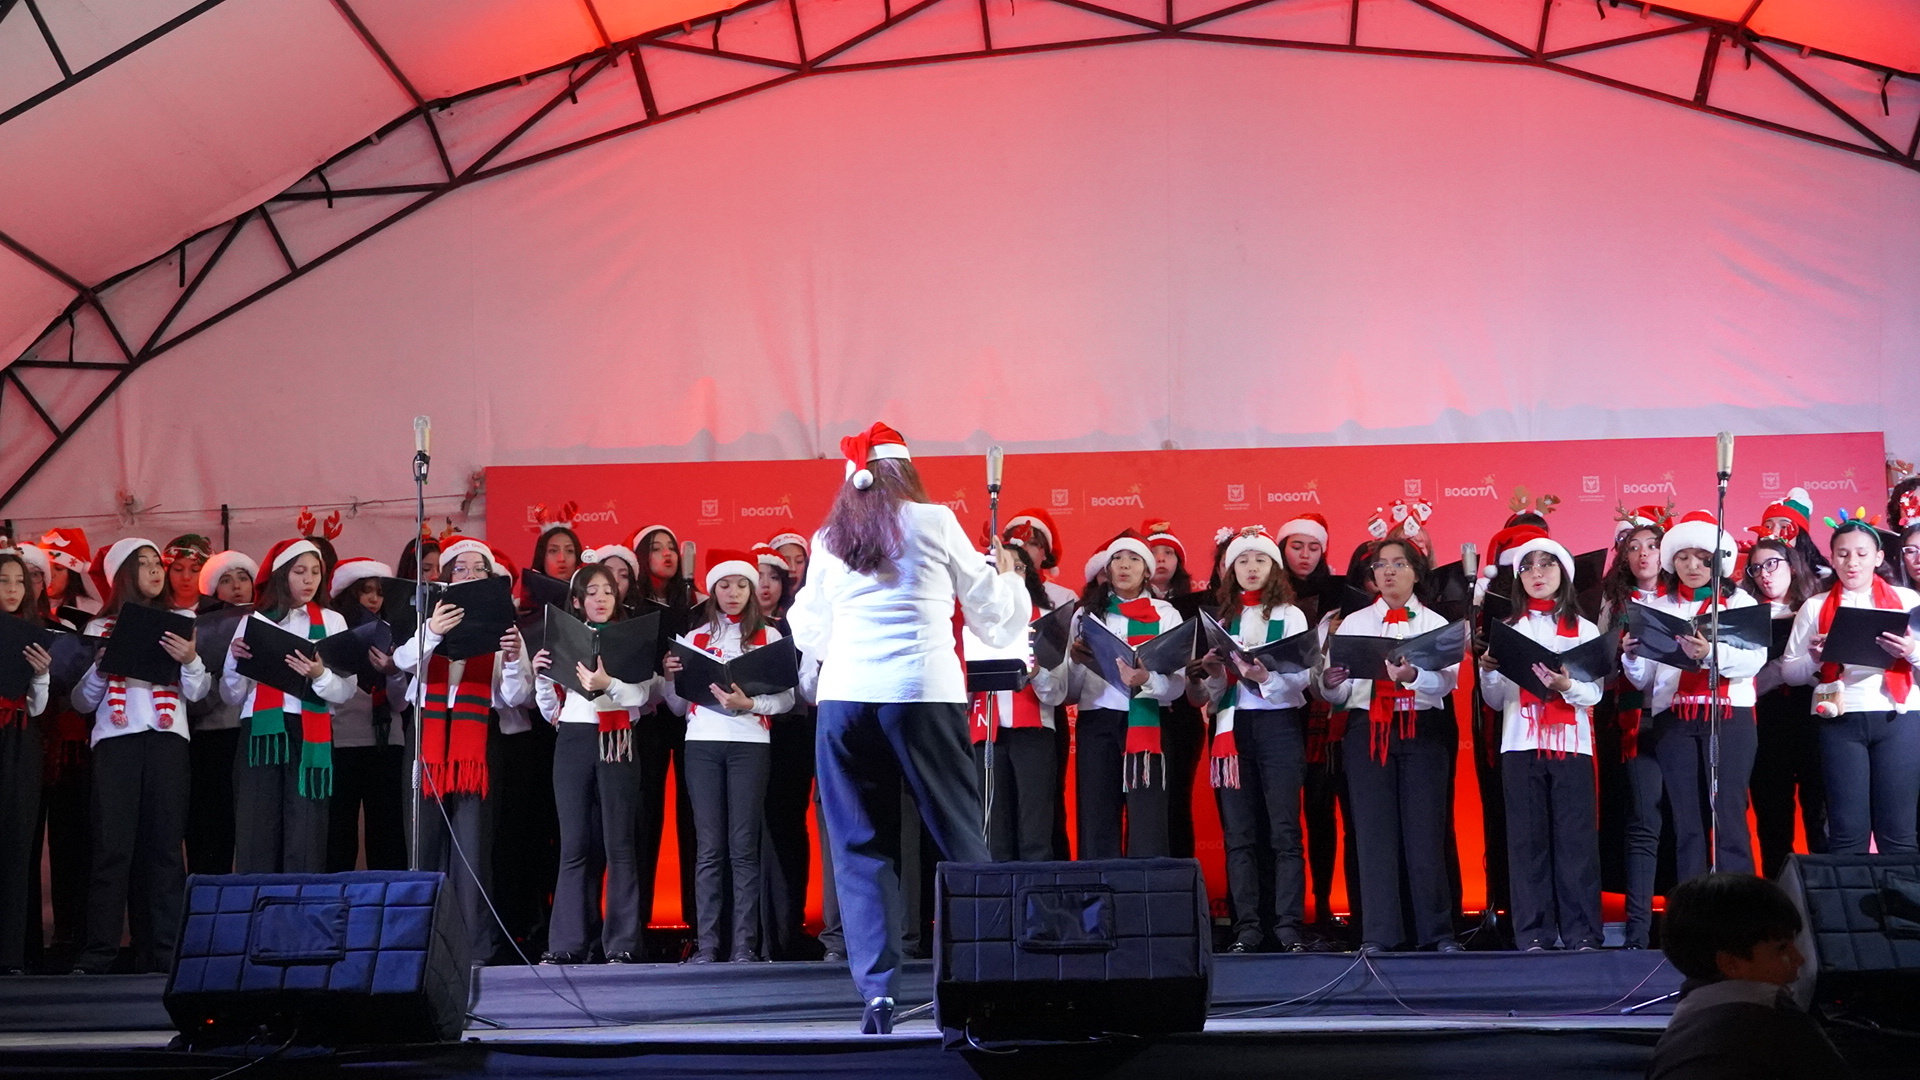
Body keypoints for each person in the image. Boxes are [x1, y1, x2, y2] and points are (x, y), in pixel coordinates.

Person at [787, 422, 1025, 1034]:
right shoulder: (935, 520)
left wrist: (855, 649)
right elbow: (993, 615)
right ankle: (990, 981)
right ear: (908, 473)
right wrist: (1009, 577)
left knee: (860, 847)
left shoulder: (829, 536)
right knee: (960, 840)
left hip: (845, 700)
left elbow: (809, 628)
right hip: (921, 695)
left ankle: (878, 995)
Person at [72, 538, 210, 974]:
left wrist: (191, 659)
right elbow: (81, 702)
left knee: (166, 848)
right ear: (123, 576)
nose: (155, 570)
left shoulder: (182, 622)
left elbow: (198, 692)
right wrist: (101, 668)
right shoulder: (99, 628)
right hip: (117, 743)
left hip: (168, 742)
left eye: (156, 563)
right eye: (143, 564)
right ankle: (99, 953)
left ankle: (165, 952)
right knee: (112, 848)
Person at [392, 536, 531, 965]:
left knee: (472, 846)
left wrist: (512, 659)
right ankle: (421, 945)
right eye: (460, 568)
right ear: (447, 577)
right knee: (424, 843)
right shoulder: (427, 615)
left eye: (478, 568)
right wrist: (433, 630)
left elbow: (516, 696)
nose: (470, 574)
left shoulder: (503, 623)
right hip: (427, 735)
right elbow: (402, 661)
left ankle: (474, 948)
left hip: (477, 738)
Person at [1320, 535, 1461, 953]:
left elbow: (1446, 682)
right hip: (1367, 729)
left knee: (1425, 833)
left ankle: (1436, 932)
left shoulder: (1434, 623)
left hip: (1421, 727)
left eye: (1399, 564)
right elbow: (1339, 692)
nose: (1389, 572)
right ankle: (1379, 933)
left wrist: (1413, 676)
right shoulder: (1354, 623)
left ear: (1416, 573)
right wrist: (1330, 684)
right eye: (1381, 565)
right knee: (1373, 833)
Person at [663, 551, 796, 963]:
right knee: (708, 849)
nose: (733, 593)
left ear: (751, 590)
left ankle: (744, 945)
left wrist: (749, 704)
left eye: (741, 585)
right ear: (713, 591)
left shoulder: (769, 636)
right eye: (724, 585)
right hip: (702, 744)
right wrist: (670, 678)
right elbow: (677, 707)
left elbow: (787, 699)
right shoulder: (695, 637)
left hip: (750, 745)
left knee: (743, 847)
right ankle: (708, 945)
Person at [1621, 512, 1765, 880]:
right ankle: (1692, 903)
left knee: (1729, 813)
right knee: (1686, 819)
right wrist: (1632, 657)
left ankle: (1739, 898)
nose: (1692, 566)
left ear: (1718, 560)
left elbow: (1755, 660)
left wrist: (1710, 653)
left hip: (1729, 716)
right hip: (1674, 719)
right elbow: (1645, 680)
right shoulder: (1659, 607)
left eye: (1702, 557)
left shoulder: (1739, 602)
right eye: (1683, 557)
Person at [1476, 537, 1604, 952]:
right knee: (1526, 842)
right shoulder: (1508, 629)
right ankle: (1533, 932)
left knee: (1575, 840)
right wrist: (1488, 672)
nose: (1537, 573)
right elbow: (1496, 701)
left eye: (1546, 564)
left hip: (1571, 744)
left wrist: (1566, 685)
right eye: (1527, 567)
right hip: (1521, 742)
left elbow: (1595, 693)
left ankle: (1582, 932)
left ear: (1562, 573)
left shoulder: (1583, 629)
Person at [531, 563, 657, 965]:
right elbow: (550, 709)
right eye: (592, 592)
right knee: (574, 845)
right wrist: (540, 676)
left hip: (618, 739)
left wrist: (608, 685)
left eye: (608, 591)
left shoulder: (632, 638)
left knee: (619, 844)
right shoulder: (565, 638)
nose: (601, 598)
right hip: (574, 738)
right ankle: (568, 943)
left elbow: (641, 696)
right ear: (577, 600)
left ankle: (622, 943)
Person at [1201, 527, 1312, 953]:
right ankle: (1246, 926)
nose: (1251, 568)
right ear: (1230, 570)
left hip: (1278, 726)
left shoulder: (1291, 614)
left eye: (1260, 560)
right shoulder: (1221, 617)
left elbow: (1302, 680)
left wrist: (1264, 677)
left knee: (1285, 831)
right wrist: (1214, 675)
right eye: (1243, 561)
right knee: (1239, 834)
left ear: (1274, 568)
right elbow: (1214, 695)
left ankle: (1288, 926)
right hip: (1231, 727)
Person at [1780, 520, 1920, 855]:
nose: (1852, 562)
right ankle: (1850, 892)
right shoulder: (1815, 606)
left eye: (1861, 554)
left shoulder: (1906, 599)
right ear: (1832, 558)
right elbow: (1790, 673)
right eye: (1842, 554)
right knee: (1846, 832)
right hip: (1839, 720)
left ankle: (1900, 892)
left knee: (1899, 833)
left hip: (1898, 716)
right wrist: (1815, 659)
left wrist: (1910, 650)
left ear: (1878, 557)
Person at [222, 539, 356, 874]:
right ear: (283, 575)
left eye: (315, 572)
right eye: (299, 572)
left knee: (306, 830)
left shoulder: (333, 621)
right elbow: (231, 696)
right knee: (257, 827)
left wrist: (319, 674)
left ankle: (300, 903)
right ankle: (257, 903)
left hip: (309, 731)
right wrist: (235, 662)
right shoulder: (255, 621)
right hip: (261, 732)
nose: (309, 580)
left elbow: (345, 692)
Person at [1649, 873, 1848, 1080]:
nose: (1799, 958)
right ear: (1731, 963)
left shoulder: (1681, 1033)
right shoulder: (1775, 1027)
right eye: (1782, 948)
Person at [1064, 533, 1189, 860]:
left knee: (1149, 822)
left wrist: (1147, 679)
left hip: (1148, 720)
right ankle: (1098, 893)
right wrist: (1075, 662)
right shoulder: (1087, 615)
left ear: (1147, 571)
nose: (1124, 565)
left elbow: (1178, 686)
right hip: (1098, 723)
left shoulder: (1166, 614)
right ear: (1107, 568)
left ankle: (1145, 893)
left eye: (1134, 559)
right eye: (1117, 558)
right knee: (1097, 819)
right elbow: (1070, 691)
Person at [1598, 510, 1670, 949]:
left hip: (1683, 718)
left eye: (1652, 546)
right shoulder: (1614, 604)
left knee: (1690, 823)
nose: (1644, 554)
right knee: (1643, 821)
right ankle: (1638, 931)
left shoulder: (1685, 597)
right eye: (1634, 547)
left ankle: (1690, 926)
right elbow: (1602, 673)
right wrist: (1620, 654)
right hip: (1636, 722)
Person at [971, 540, 1066, 862]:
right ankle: (997, 895)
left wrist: (1037, 672)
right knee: (992, 832)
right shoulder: (973, 620)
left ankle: (1036, 896)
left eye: (1018, 566)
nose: (1009, 571)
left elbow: (1059, 692)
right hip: (985, 733)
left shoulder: (1047, 620)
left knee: (1035, 831)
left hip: (1034, 734)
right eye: (1001, 565)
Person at [1742, 537, 1826, 877]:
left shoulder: (1817, 608)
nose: (1765, 574)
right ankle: (1777, 893)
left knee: (1821, 811)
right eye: (1756, 568)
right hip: (1766, 725)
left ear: (1792, 566)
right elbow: (1747, 682)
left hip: (1814, 721)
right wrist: (1782, 669)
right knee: (1772, 817)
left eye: (1772, 564)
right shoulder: (1746, 616)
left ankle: (1826, 892)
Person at [325, 558, 408, 871]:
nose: (374, 599)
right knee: (339, 831)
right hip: (343, 741)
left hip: (387, 742)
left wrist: (393, 672)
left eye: (380, 592)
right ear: (349, 594)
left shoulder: (395, 632)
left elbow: (401, 704)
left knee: (387, 832)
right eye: (366, 591)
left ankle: (387, 896)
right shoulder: (334, 630)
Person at [183, 550, 257, 876]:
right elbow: (193, 698)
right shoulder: (198, 627)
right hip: (211, 736)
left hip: (253, 732)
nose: (236, 586)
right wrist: (219, 675)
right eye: (226, 580)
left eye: (242, 578)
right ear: (213, 589)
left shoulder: (267, 620)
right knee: (212, 828)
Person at [0, 552, 53, 975]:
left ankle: (10, 957)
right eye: (4, 580)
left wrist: (40, 674)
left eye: (20, 581)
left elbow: (36, 707)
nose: (14, 589)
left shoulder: (33, 634)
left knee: (17, 845)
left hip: (19, 741)